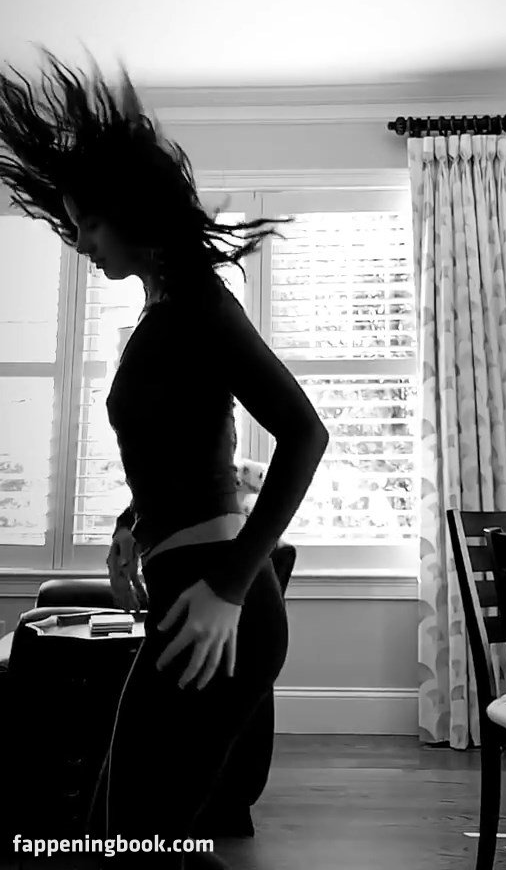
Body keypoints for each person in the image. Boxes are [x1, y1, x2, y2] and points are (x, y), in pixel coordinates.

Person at [0, 45, 330, 868]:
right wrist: (132, 524)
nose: (80, 242)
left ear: (131, 212)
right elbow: (188, 447)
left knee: (136, 837)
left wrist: (229, 587)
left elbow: (305, 433)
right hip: (185, 587)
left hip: (215, 597)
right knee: (129, 826)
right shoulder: (162, 310)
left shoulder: (197, 303)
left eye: (89, 224)